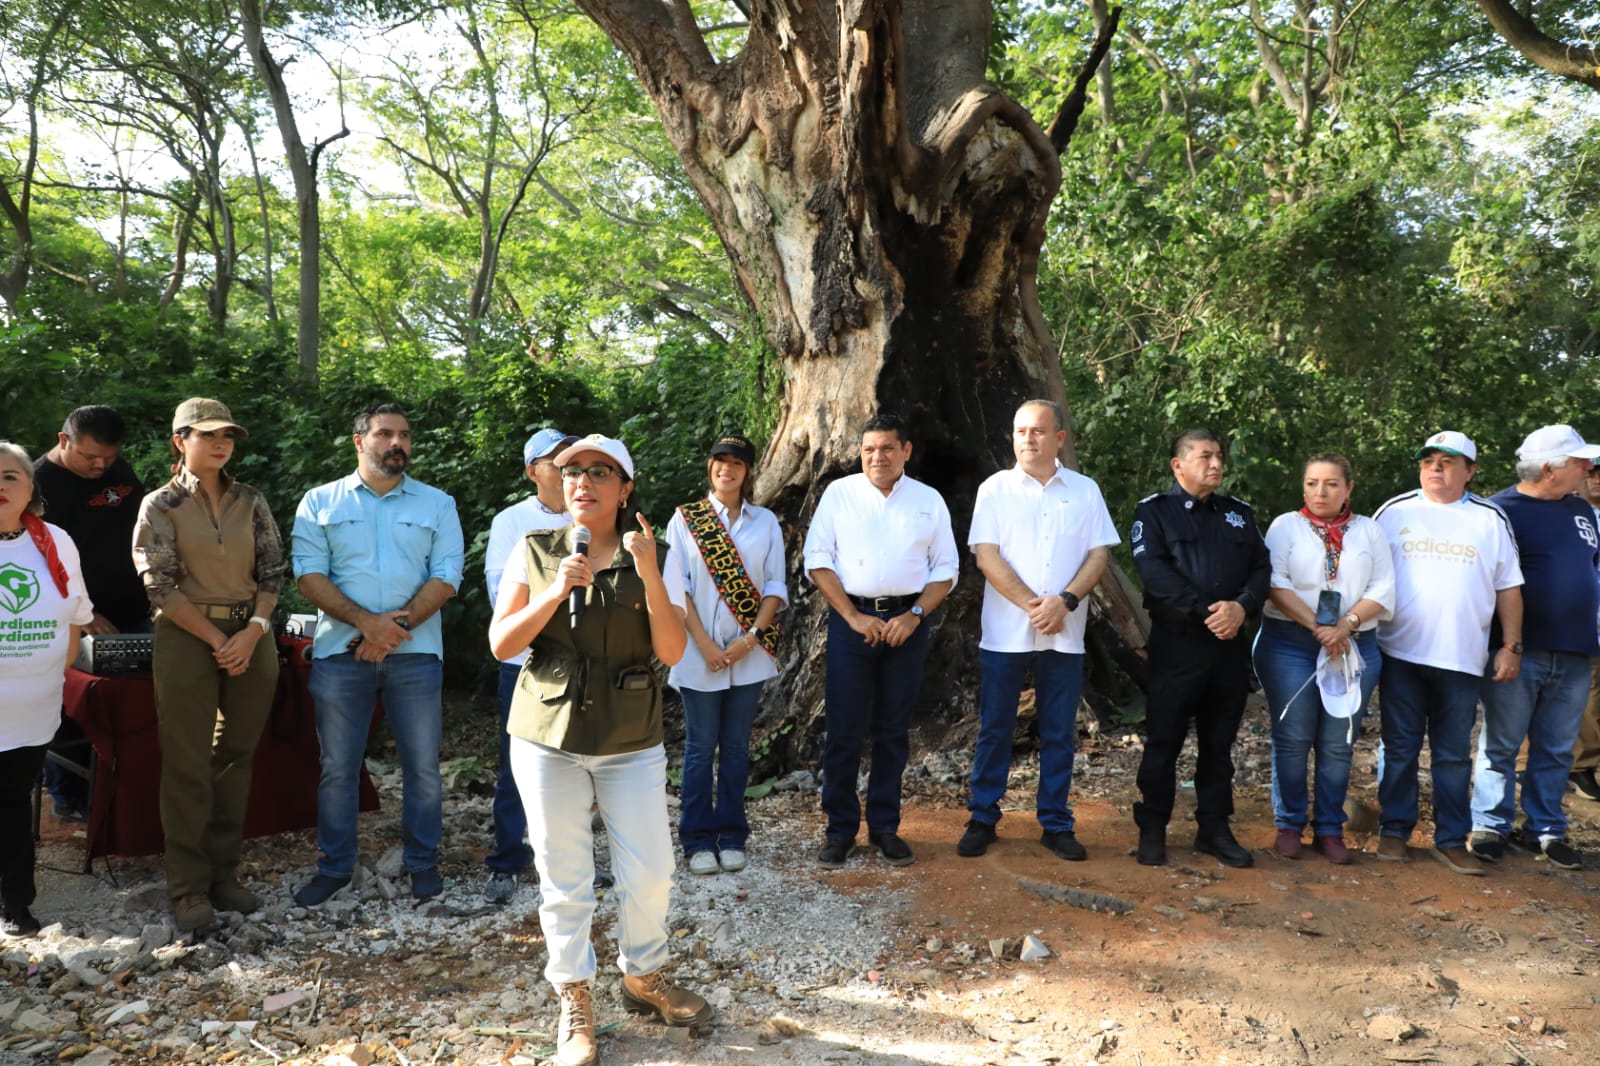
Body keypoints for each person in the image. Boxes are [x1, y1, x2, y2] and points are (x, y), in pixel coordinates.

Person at [489, 434, 710, 1066]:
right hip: (546, 735)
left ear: (625, 488)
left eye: (600, 471)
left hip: (629, 737)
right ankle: (575, 999)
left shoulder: (658, 554)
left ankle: (643, 978)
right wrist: (556, 591)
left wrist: (647, 574)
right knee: (565, 877)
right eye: (571, 471)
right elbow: (502, 644)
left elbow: (671, 651)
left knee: (651, 870)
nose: (583, 481)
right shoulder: (533, 551)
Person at [291, 404, 464, 907]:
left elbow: (448, 575)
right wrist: (369, 625)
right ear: (358, 441)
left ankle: (423, 865)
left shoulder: (437, 504)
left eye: (405, 435)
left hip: (416, 654)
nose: (397, 444)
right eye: (385, 434)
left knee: (423, 768)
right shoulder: (320, 501)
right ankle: (335, 867)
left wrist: (393, 629)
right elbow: (308, 574)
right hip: (341, 654)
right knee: (338, 768)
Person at [131, 399, 288, 933]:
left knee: (236, 758)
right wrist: (218, 640)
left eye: (229, 436)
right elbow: (159, 583)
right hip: (187, 636)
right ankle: (188, 888)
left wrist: (252, 632)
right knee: (187, 763)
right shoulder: (161, 504)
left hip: (251, 635)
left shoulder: (250, 499)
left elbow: (273, 571)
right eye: (208, 435)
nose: (222, 444)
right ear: (181, 441)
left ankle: (225, 875)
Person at [959, 400, 1118, 861]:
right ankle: (983, 818)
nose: (1028, 439)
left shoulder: (1085, 491)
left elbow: (1099, 556)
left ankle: (1055, 822)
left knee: (1058, 731)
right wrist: (1035, 605)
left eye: (1038, 431)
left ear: (1060, 438)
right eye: (1021, 431)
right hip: (1007, 630)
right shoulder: (995, 489)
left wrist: (1064, 602)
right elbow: (986, 555)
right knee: (995, 727)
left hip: (1065, 630)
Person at [802, 414, 958, 869]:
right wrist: (851, 616)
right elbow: (817, 559)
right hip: (853, 622)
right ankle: (840, 831)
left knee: (893, 730)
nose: (877, 457)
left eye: (887, 448)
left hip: (908, 622)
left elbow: (945, 569)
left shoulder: (928, 500)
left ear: (906, 450)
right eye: (869, 449)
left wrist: (913, 616)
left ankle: (885, 828)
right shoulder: (840, 495)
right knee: (845, 731)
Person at [1373, 430, 1522, 876]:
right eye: (1429, 460)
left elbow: (1509, 588)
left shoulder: (1489, 518)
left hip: (1461, 659)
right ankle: (1394, 831)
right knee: (1398, 747)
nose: (1436, 467)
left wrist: (1510, 647)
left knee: (1452, 754)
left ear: (1471, 471)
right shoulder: (1393, 512)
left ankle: (1451, 839)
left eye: (1448, 461)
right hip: (1399, 653)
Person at [1129, 429, 1270, 868]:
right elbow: (1153, 572)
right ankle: (1153, 829)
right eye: (1205, 456)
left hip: (1228, 649)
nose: (1216, 464)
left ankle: (1214, 829)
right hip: (1179, 645)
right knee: (1164, 741)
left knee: (1218, 744)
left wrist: (1241, 607)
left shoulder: (1238, 515)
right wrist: (1211, 612)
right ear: (1179, 465)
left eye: (1219, 456)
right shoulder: (1155, 513)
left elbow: (1262, 568)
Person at [1467, 425, 1598, 871]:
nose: (1589, 468)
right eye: (1580, 461)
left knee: (1558, 747)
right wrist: (1508, 644)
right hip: (1522, 649)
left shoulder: (1580, 509)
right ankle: (1490, 824)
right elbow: (1489, 582)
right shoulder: (1500, 511)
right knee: (1502, 744)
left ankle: (1545, 828)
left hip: (1577, 651)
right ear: (1549, 468)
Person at [1254, 453, 1395, 864]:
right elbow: (1274, 582)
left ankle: (1331, 828)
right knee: (1293, 737)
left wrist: (1345, 625)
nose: (1321, 491)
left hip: (1354, 644)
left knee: (1338, 742)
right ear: (1303, 487)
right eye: (1313, 482)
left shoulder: (1369, 531)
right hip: (1290, 642)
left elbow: (1384, 587)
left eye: (1331, 484)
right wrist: (1319, 627)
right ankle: (1289, 824)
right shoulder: (1285, 526)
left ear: (1348, 488)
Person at [666, 433, 786, 876]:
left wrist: (749, 639)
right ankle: (697, 840)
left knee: (736, 749)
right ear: (710, 466)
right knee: (700, 748)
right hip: (698, 652)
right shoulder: (685, 520)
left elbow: (776, 586)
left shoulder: (766, 522)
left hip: (748, 654)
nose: (727, 469)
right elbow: (676, 589)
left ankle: (733, 835)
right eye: (720, 461)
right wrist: (705, 644)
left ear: (748, 470)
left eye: (737, 462)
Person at [34, 405, 148, 821]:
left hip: (131, 609)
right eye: (90, 457)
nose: (101, 466)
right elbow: (34, 563)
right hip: (66, 620)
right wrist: (82, 614)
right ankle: (68, 797)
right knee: (71, 710)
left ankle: (121, 789)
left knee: (130, 705)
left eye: (110, 457)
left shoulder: (119, 473)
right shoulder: (34, 484)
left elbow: (141, 529)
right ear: (64, 441)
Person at [0, 442, 93, 938]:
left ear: (31, 487)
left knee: (13, 803)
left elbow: (77, 616)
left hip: (31, 709)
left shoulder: (55, 541)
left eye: (10, 476)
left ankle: (16, 904)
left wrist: (50, 672)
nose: (0, 485)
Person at [481, 427, 576, 903]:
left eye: (570, 459)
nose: (564, 468)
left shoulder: (592, 515)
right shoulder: (510, 522)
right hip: (525, 661)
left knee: (577, 761)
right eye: (554, 460)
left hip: (582, 662)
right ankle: (508, 859)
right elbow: (502, 596)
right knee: (516, 762)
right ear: (531, 471)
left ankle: (570, 859)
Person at [1572, 462, 1600, 803]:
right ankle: (1582, 766)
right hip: (1584, 623)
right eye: (1592, 474)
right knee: (1589, 695)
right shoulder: (1572, 514)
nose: (1597, 482)